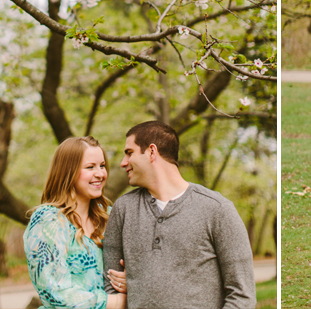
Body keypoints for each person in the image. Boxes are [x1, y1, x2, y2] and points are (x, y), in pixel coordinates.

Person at [103, 121, 256, 309]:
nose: (123, 163)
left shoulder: (217, 209)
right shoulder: (123, 209)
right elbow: (109, 286)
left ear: (152, 151)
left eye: (129, 153)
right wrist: (138, 284)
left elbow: (242, 296)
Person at [24, 136, 128, 309]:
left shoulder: (109, 217)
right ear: (68, 172)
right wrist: (116, 302)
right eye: (90, 167)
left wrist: (131, 280)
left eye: (102, 166)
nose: (100, 174)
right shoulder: (48, 220)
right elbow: (55, 294)